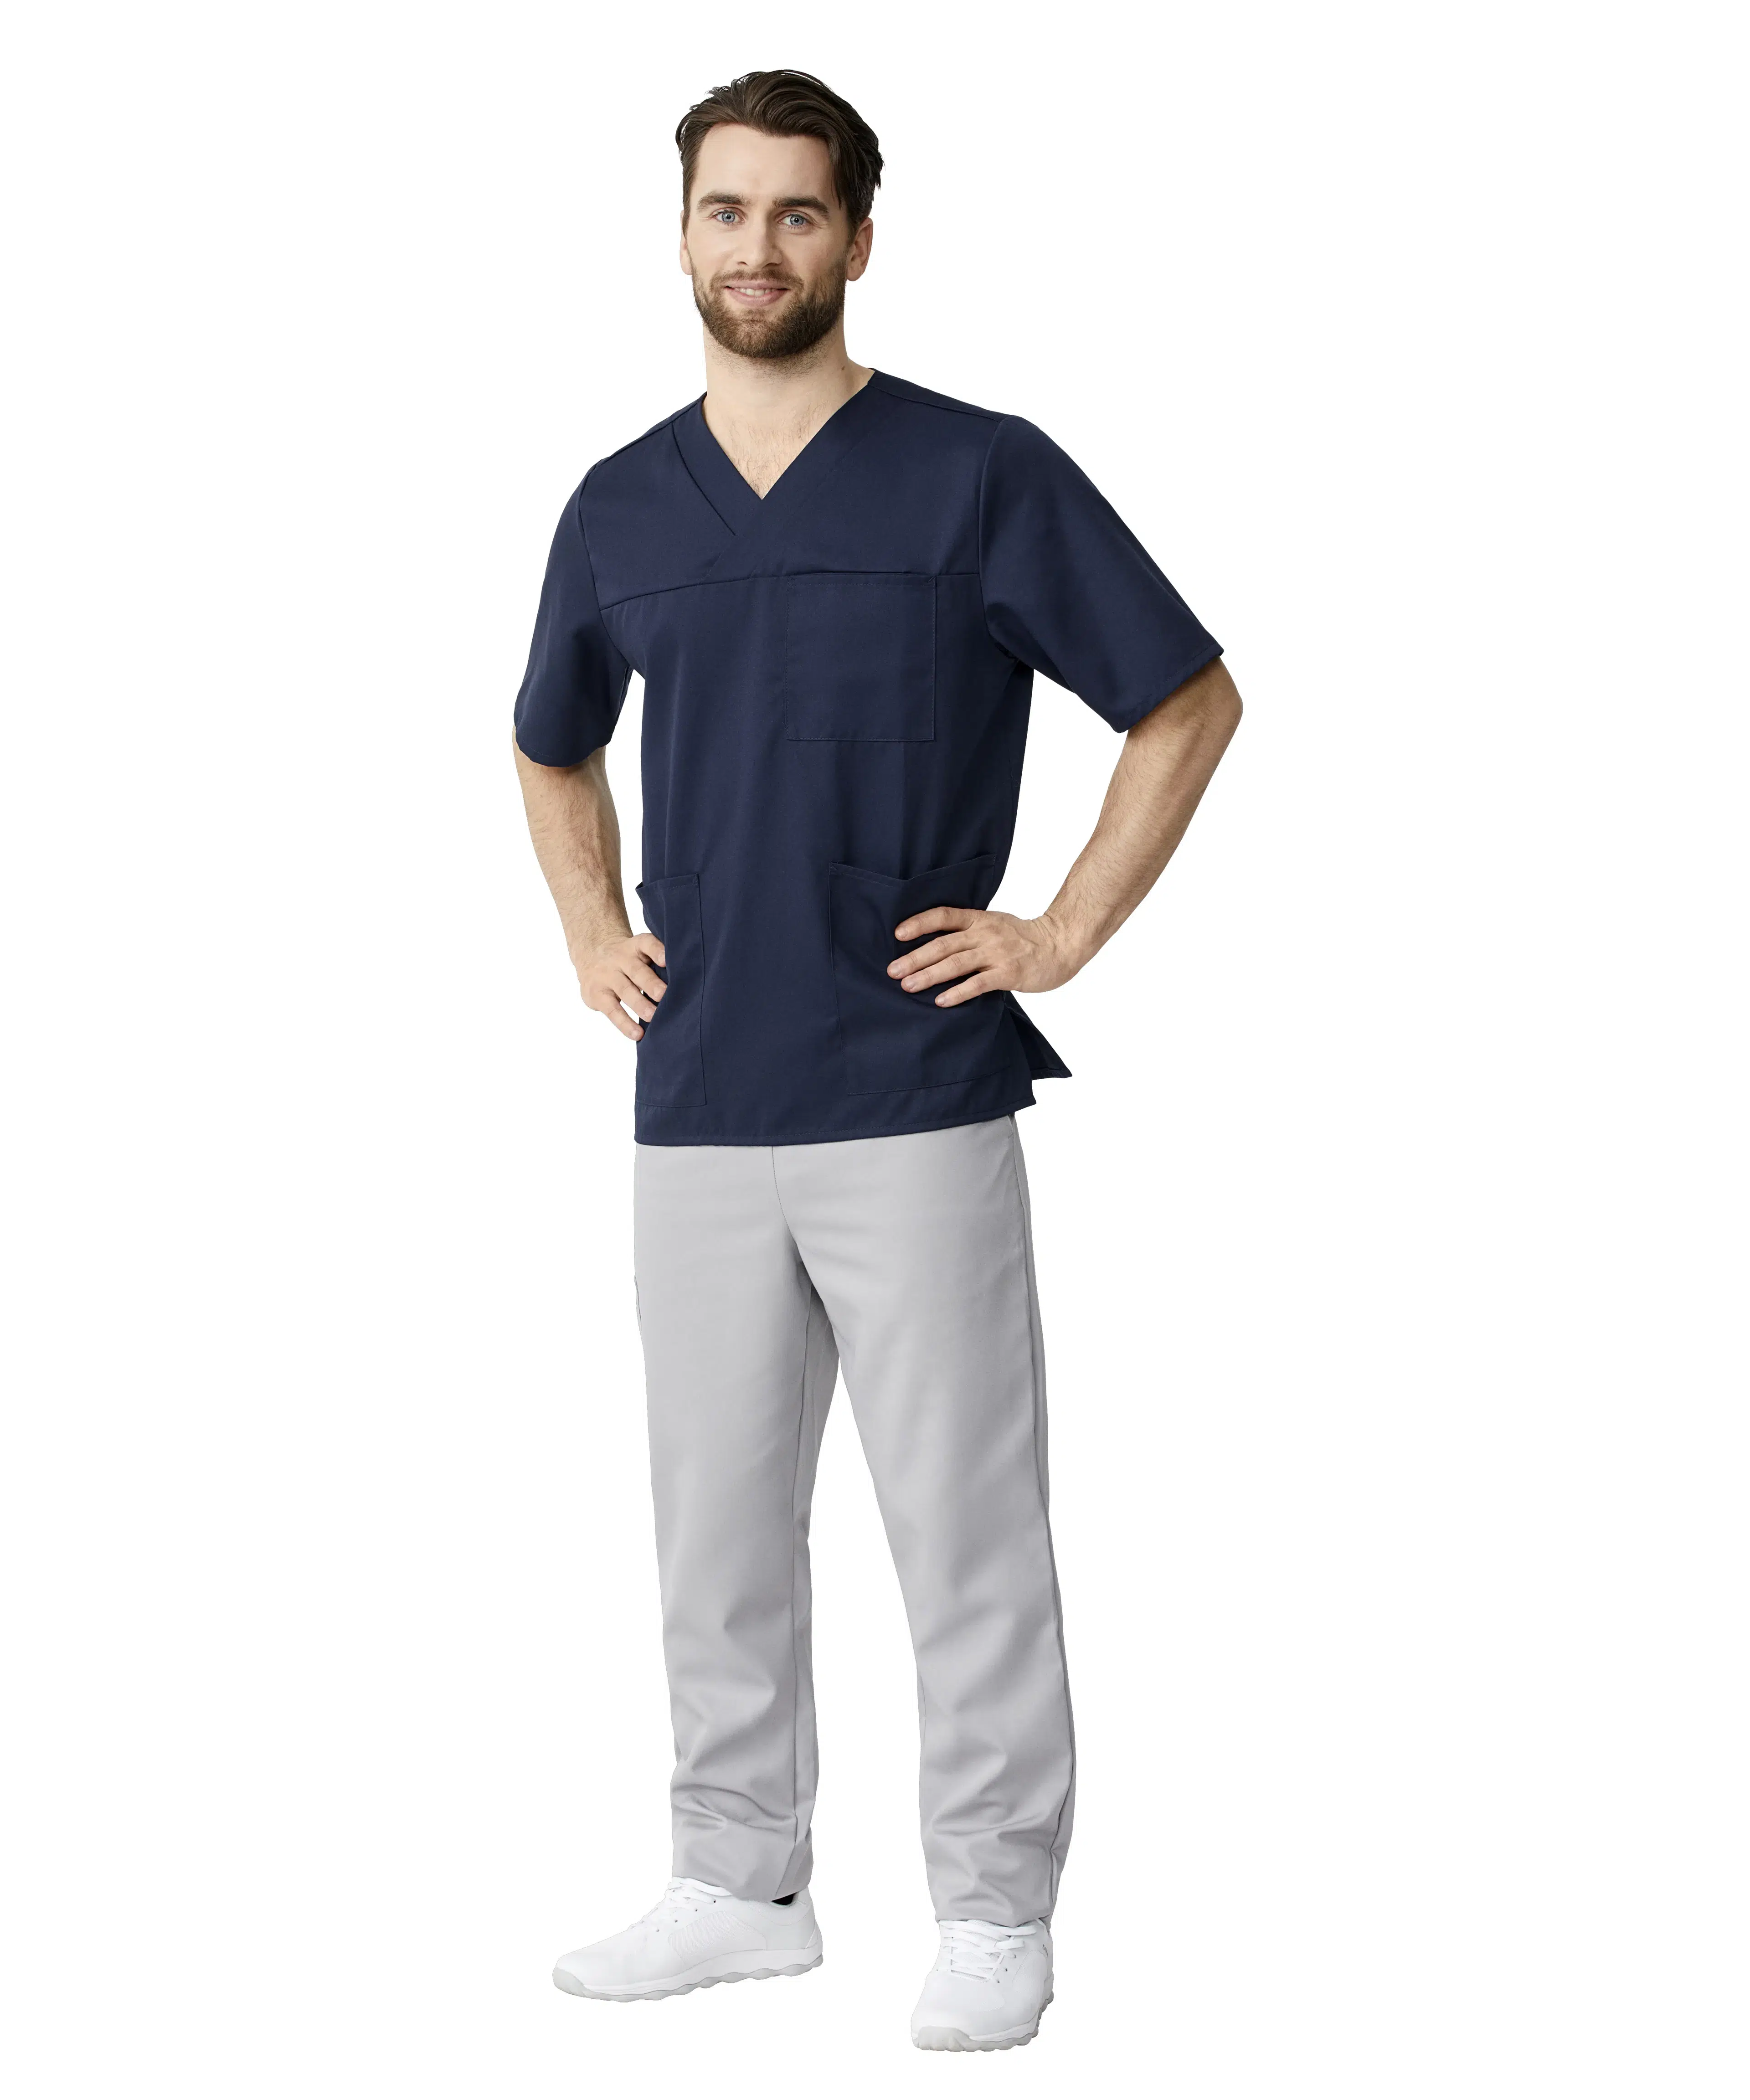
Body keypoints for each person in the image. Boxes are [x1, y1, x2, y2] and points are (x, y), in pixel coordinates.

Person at [512, 68, 1242, 2054]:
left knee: (964, 1522)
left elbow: (1186, 700)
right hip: (696, 1097)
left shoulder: (978, 475)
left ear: (858, 238)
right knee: (714, 1527)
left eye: (798, 213)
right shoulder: (620, 504)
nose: (757, 248)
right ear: (682, 233)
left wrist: (1060, 933)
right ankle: (739, 1883)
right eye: (725, 210)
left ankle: (997, 1905)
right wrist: (588, 929)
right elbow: (551, 743)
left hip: (912, 1093)